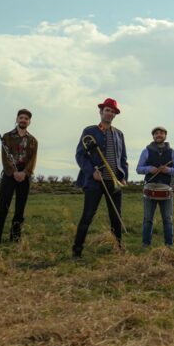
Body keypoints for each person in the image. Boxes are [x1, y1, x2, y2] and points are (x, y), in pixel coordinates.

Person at [71, 98, 128, 258]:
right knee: (87, 216)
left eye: (112, 111)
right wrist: (91, 172)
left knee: (116, 217)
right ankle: (77, 250)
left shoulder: (119, 134)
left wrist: (124, 176)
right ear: (101, 112)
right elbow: (80, 155)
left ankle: (119, 248)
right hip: (94, 182)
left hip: (113, 181)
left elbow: (123, 158)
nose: (109, 113)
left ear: (115, 115)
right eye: (107, 110)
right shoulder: (90, 131)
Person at [0, 109, 39, 244]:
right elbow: (5, 158)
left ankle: (15, 239)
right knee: (2, 207)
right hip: (9, 174)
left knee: (20, 209)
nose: (23, 120)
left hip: (25, 175)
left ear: (29, 122)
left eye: (26, 118)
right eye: (21, 117)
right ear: (17, 119)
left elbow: (33, 160)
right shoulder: (7, 137)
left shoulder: (33, 140)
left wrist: (25, 173)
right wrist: (13, 172)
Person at [135, 126, 174, 248]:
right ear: (153, 136)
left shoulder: (173, 152)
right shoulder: (146, 151)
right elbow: (139, 169)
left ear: (165, 135)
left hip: (166, 189)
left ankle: (169, 245)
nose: (158, 135)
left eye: (161, 133)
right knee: (148, 219)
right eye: (156, 133)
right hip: (149, 188)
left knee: (168, 219)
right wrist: (149, 169)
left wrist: (168, 170)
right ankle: (146, 244)